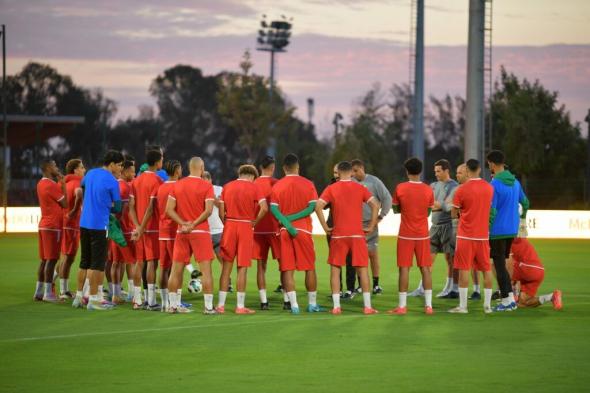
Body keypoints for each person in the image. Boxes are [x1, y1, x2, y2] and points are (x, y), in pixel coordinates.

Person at [316, 161, 379, 315]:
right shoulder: (360, 187)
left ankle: (336, 307)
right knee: (363, 270)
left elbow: (318, 206)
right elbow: (375, 205)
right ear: (351, 173)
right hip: (357, 235)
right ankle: (367, 307)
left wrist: (324, 226)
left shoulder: (331, 188)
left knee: (335, 269)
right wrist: (371, 226)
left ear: (339, 172)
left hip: (339, 235)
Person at [72, 150, 123, 311]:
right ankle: (94, 300)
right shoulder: (113, 181)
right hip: (99, 225)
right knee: (98, 264)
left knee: (84, 262)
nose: (121, 168)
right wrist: (108, 206)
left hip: (84, 223)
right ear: (112, 164)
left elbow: (82, 188)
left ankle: (79, 297)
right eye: (120, 165)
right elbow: (119, 207)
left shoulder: (90, 173)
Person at [270, 153, 321, 314]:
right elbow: (311, 207)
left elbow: (273, 209)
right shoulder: (308, 184)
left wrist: (287, 221)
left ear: (284, 168)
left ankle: (294, 306)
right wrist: (293, 220)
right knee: (309, 268)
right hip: (304, 230)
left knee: (287, 269)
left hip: (285, 231)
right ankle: (312, 304)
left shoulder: (277, 186)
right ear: (298, 167)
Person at [165, 157, 216, 314]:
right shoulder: (206, 186)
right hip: (200, 232)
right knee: (206, 271)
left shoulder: (178, 185)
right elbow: (208, 211)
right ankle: (208, 307)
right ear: (202, 168)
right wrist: (193, 224)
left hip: (182, 231)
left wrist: (184, 223)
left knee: (176, 270)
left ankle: (173, 306)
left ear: (188, 168)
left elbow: (168, 210)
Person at [216, 165, 268, 314]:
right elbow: (264, 208)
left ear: (240, 173)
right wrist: (255, 222)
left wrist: (226, 223)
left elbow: (221, 210)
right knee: (242, 268)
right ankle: (239, 306)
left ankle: (220, 305)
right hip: (245, 226)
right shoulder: (254, 187)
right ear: (252, 176)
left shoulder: (227, 186)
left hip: (230, 226)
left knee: (226, 268)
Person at [389, 157, 435, 315]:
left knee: (404, 269)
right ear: (420, 171)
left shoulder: (400, 188)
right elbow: (428, 211)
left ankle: (402, 306)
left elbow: (395, 210)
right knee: (426, 269)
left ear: (407, 171)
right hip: (422, 235)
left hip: (406, 235)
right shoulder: (428, 189)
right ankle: (428, 306)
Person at [449, 159, 495, 314]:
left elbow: (454, 213)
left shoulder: (461, 190)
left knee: (464, 270)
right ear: (480, 170)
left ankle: (463, 307)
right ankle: (487, 306)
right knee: (486, 270)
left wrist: (462, 214)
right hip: (482, 236)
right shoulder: (489, 188)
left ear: (467, 170)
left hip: (465, 236)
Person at [409, 159, 459, 298]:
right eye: (435, 171)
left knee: (450, 260)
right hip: (434, 226)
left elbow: (449, 207)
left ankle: (451, 288)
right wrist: (438, 204)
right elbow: (430, 204)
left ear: (446, 171)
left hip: (448, 227)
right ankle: (421, 288)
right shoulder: (433, 185)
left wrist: (437, 204)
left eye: (438, 171)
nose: (436, 174)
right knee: (427, 259)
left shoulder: (454, 186)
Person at [487, 150, 530, 312]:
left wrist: (486, 228)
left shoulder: (495, 184)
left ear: (491, 163)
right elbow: (525, 203)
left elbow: (492, 211)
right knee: (502, 264)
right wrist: (523, 220)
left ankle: (507, 300)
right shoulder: (516, 182)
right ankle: (510, 299)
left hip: (497, 231)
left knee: (499, 266)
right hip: (512, 229)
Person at [129, 149, 164, 310]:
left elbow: (130, 206)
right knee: (152, 263)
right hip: (151, 228)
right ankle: (151, 301)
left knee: (139, 262)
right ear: (157, 162)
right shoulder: (157, 181)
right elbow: (151, 209)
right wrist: (142, 228)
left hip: (138, 228)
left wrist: (137, 227)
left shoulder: (136, 180)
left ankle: (137, 300)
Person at [351, 159, 391, 294]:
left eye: (356, 171)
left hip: (370, 223)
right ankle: (361, 284)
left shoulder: (374, 181)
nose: (354, 174)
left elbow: (387, 198)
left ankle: (376, 284)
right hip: (355, 225)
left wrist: (380, 216)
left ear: (362, 168)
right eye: (352, 172)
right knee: (357, 255)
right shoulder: (351, 182)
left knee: (373, 254)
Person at [507, 221, 562, 310]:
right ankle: (551, 297)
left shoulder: (509, 242)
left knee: (501, 267)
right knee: (522, 303)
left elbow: (510, 269)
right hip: (539, 272)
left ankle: (510, 296)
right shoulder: (521, 240)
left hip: (528, 269)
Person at [35, 160, 68, 302]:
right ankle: (48, 294)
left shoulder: (40, 183)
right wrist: (63, 185)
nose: (57, 168)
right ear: (48, 168)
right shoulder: (51, 184)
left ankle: (38, 292)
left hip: (44, 224)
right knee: (52, 259)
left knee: (44, 260)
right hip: (53, 226)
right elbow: (65, 203)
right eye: (54, 166)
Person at [253, 156, 281, 310]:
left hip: (257, 230)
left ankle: (264, 302)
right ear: (273, 167)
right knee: (283, 265)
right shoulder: (277, 184)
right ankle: (287, 301)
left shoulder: (253, 184)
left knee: (260, 266)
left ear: (259, 167)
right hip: (274, 228)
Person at [326, 164, 356, 299]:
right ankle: (338, 290)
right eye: (334, 172)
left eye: (337, 172)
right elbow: (324, 205)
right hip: (333, 228)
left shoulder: (353, 186)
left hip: (348, 227)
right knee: (335, 262)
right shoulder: (331, 187)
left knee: (350, 260)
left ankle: (350, 289)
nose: (336, 175)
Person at [57, 159, 85, 299]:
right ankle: (63, 291)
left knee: (66, 256)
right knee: (69, 258)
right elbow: (79, 194)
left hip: (64, 223)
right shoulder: (76, 183)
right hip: (72, 224)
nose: (84, 169)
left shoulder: (64, 183)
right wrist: (74, 211)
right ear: (75, 170)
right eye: (81, 167)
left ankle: (59, 286)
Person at [156, 160, 182, 311]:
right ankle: (176, 302)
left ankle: (165, 302)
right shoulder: (178, 187)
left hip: (162, 231)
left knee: (163, 268)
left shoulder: (160, 188)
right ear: (177, 171)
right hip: (174, 231)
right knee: (176, 268)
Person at [110, 160, 136, 304]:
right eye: (132, 171)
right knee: (131, 262)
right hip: (126, 229)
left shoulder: (114, 185)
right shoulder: (126, 187)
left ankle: (115, 295)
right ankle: (132, 294)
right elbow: (127, 210)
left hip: (115, 229)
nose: (133, 174)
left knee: (116, 262)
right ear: (125, 171)